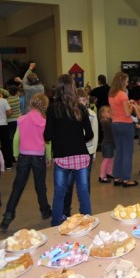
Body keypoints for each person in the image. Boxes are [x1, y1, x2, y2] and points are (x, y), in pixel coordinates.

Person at [44, 74, 93, 226]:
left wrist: (60, 139)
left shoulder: (52, 109)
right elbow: (90, 134)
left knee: (60, 192)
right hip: (81, 155)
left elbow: (47, 135)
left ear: (58, 89)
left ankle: (57, 222)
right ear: (73, 88)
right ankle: (88, 221)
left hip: (62, 156)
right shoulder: (81, 109)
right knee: (83, 191)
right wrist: (78, 141)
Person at [0, 93, 52, 231]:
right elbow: (47, 142)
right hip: (38, 157)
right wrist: (48, 157)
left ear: (30, 104)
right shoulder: (45, 122)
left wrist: (16, 154)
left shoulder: (21, 119)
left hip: (24, 156)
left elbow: (16, 139)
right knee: (40, 185)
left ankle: (8, 215)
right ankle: (45, 210)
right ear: (45, 106)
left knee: (17, 187)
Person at [63, 88, 98, 217]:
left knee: (84, 184)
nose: (83, 102)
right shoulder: (71, 115)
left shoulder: (92, 114)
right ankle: (65, 211)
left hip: (87, 152)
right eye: (80, 100)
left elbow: (95, 135)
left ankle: (85, 212)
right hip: (73, 152)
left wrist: (93, 153)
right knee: (68, 183)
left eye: (85, 100)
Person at [108, 72, 138, 187]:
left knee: (119, 151)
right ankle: (126, 179)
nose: (127, 82)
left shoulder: (111, 94)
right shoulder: (123, 94)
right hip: (126, 125)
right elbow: (127, 113)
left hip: (115, 124)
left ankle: (117, 177)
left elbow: (115, 110)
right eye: (126, 80)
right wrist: (131, 105)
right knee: (127, 153)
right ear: (122, 81)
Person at [90, 74, 110, 150]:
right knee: (108, 126)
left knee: (101, 127)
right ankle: (110, 143)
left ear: (99, 81)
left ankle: (101, 144)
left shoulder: (98, 90)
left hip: (101, 110)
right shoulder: (109, 88)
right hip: (108, 110)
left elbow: (91, 93)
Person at [98, 106, 114, 183]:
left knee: (110, 159)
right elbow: (112, 128)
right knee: (106, 160)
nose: (110, 113)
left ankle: (109, 173)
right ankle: (102, 176)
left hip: (110, 143)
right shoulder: (105, 122)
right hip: (107, 144)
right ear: (103, 114)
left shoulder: (109, 121)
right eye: (108, 112)